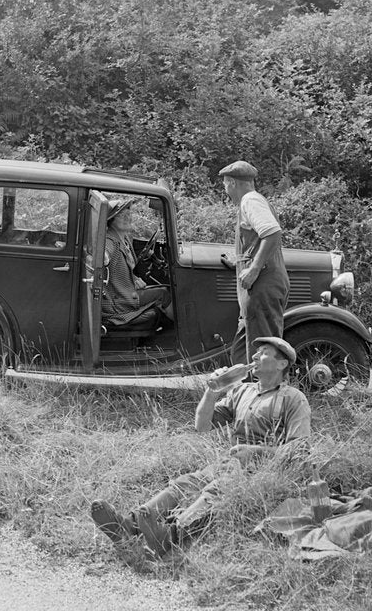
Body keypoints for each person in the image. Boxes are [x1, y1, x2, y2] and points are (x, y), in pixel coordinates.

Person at [90, 336, 311, 557]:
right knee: (186, 482)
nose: (253, 356)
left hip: (262, 472)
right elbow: (202, 425)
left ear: (282, 364)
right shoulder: (243, 391)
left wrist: (255, 453)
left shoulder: (293, 398)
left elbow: (299, 449)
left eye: (263, 352)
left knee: (217, 489)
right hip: (230, 463)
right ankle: (130, 525)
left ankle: (170, 536)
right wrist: (212, 390)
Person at [218, 160, 290, 367]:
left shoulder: (250, 200)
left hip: (262, 285)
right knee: (243, 350)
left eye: (225, 185)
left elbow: (272, 233)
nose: (225, 190)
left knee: (264, 351)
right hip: (258, 286)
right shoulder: (253, 200)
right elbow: (258, 241)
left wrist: (254, 268)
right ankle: (245, 392)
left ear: (232, 182)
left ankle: (270, 394)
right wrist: (240, 260)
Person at [100, 199, 171, 328]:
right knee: (165, 293)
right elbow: (103, 254)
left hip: (126, 289)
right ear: (111, 220)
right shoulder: (110, 241)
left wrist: (134, 277)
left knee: (163, 289)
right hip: (118, 300)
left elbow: (124, 266)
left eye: (128, 213)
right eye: (121, 215)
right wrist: (102, 257)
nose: (127, 217)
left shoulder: (125, 238)